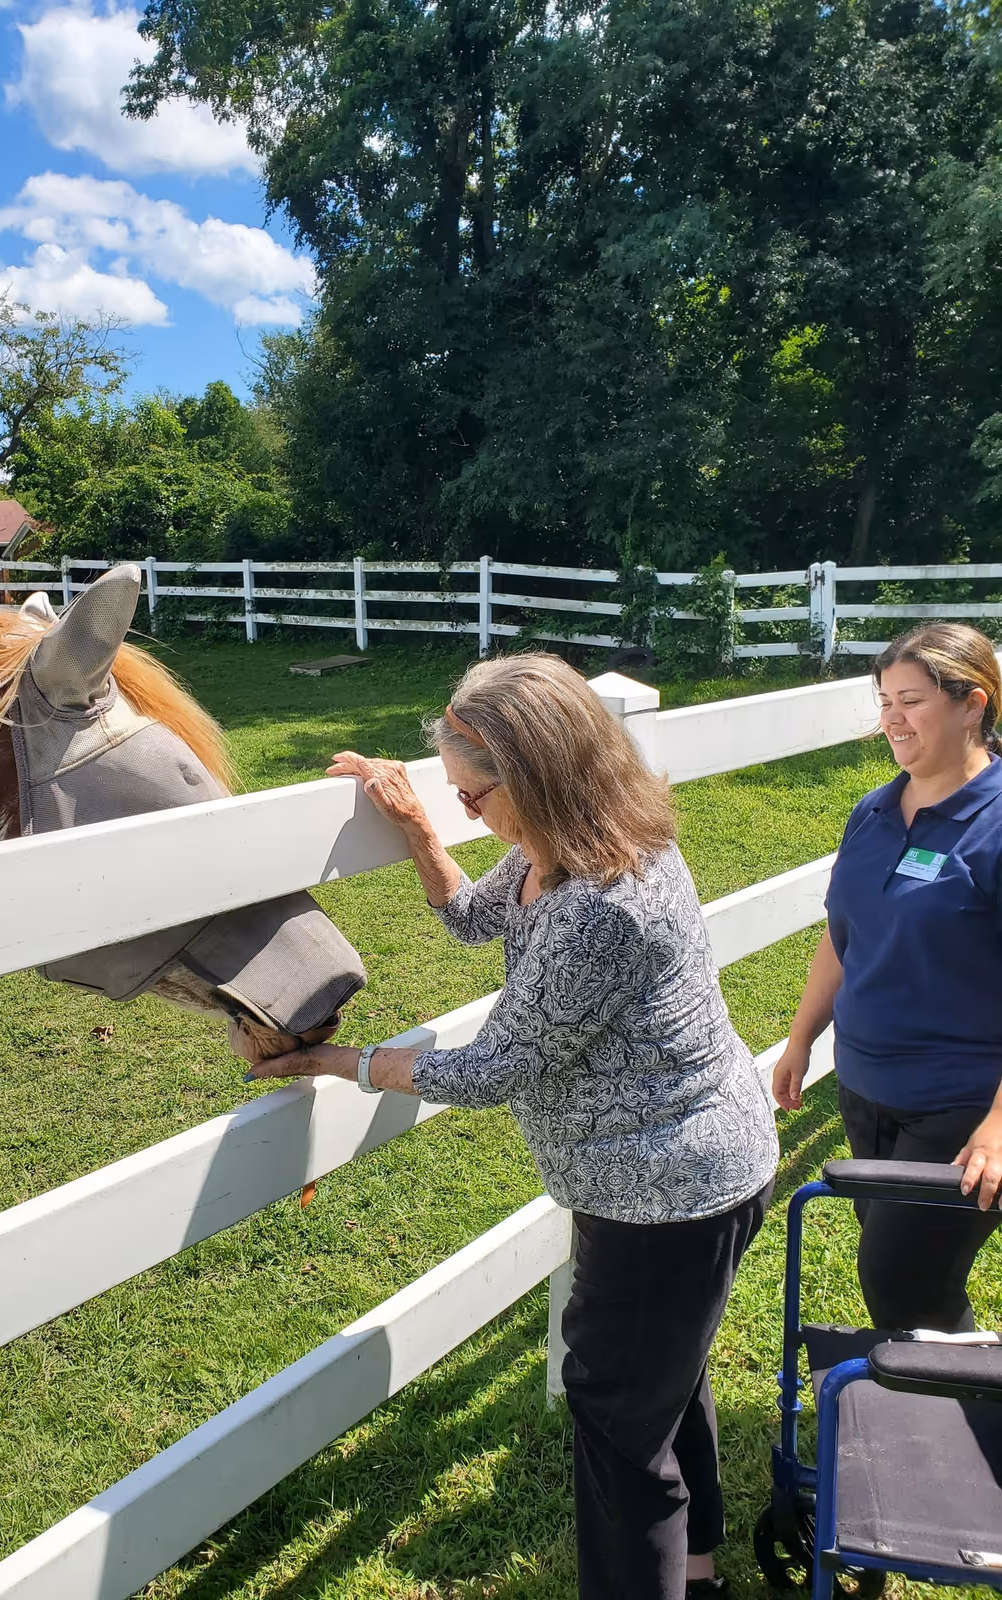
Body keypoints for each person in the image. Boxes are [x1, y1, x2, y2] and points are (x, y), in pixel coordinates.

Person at [243, 652, 779, 1600]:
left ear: (534, 777)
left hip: (666, 1193)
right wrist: (411, 823)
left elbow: (490, 1072)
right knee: (666, 1380)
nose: (464, 812)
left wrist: (340, 1062)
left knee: (616, 1420)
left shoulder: (604, 907)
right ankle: (697, 1573)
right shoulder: (567, 844)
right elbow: (469, 918)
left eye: (472, 795)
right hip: (676, 1178)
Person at [773, 622, 1002, 1333]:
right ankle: (939, 1407)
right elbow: (845, 937)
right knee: (911, 1281)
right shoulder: (872, 812)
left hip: (960, 1104)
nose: (892, 720)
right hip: (867, 1091)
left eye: (912, 700)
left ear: (973, 703)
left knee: (900, 1280)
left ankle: (955, 1418)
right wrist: (802, 1037)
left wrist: (999, 1125)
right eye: (884, 702)